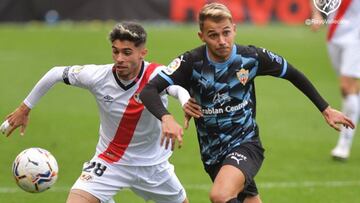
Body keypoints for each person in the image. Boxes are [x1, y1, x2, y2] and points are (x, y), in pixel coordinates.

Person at [140, 3, 355, 203]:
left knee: (220, 195)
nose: (222, 41)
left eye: (226, 32)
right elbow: (149, 90)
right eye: (213, 35)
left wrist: (325, 108)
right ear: (201, 36)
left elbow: (293, 73)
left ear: (234, 29)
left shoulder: (251, 57)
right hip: (212, 154)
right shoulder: (191, 62)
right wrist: (166, 117)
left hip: (246, 144)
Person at [0, 22, 190, 203]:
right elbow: (56, 73)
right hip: (109, 161)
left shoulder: (157, 74)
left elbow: (178, 89)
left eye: (127, 52)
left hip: (154, 166)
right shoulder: (98, 76)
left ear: (143, 53)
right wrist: (25, 108)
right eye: (115, 51)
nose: (119, 59)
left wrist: (184, 105)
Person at [311, 0, 360, 160]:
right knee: (351, 89)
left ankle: (344, 145)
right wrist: (317, 13)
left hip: (356, 37)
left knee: (346, 87)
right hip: (334, 35)